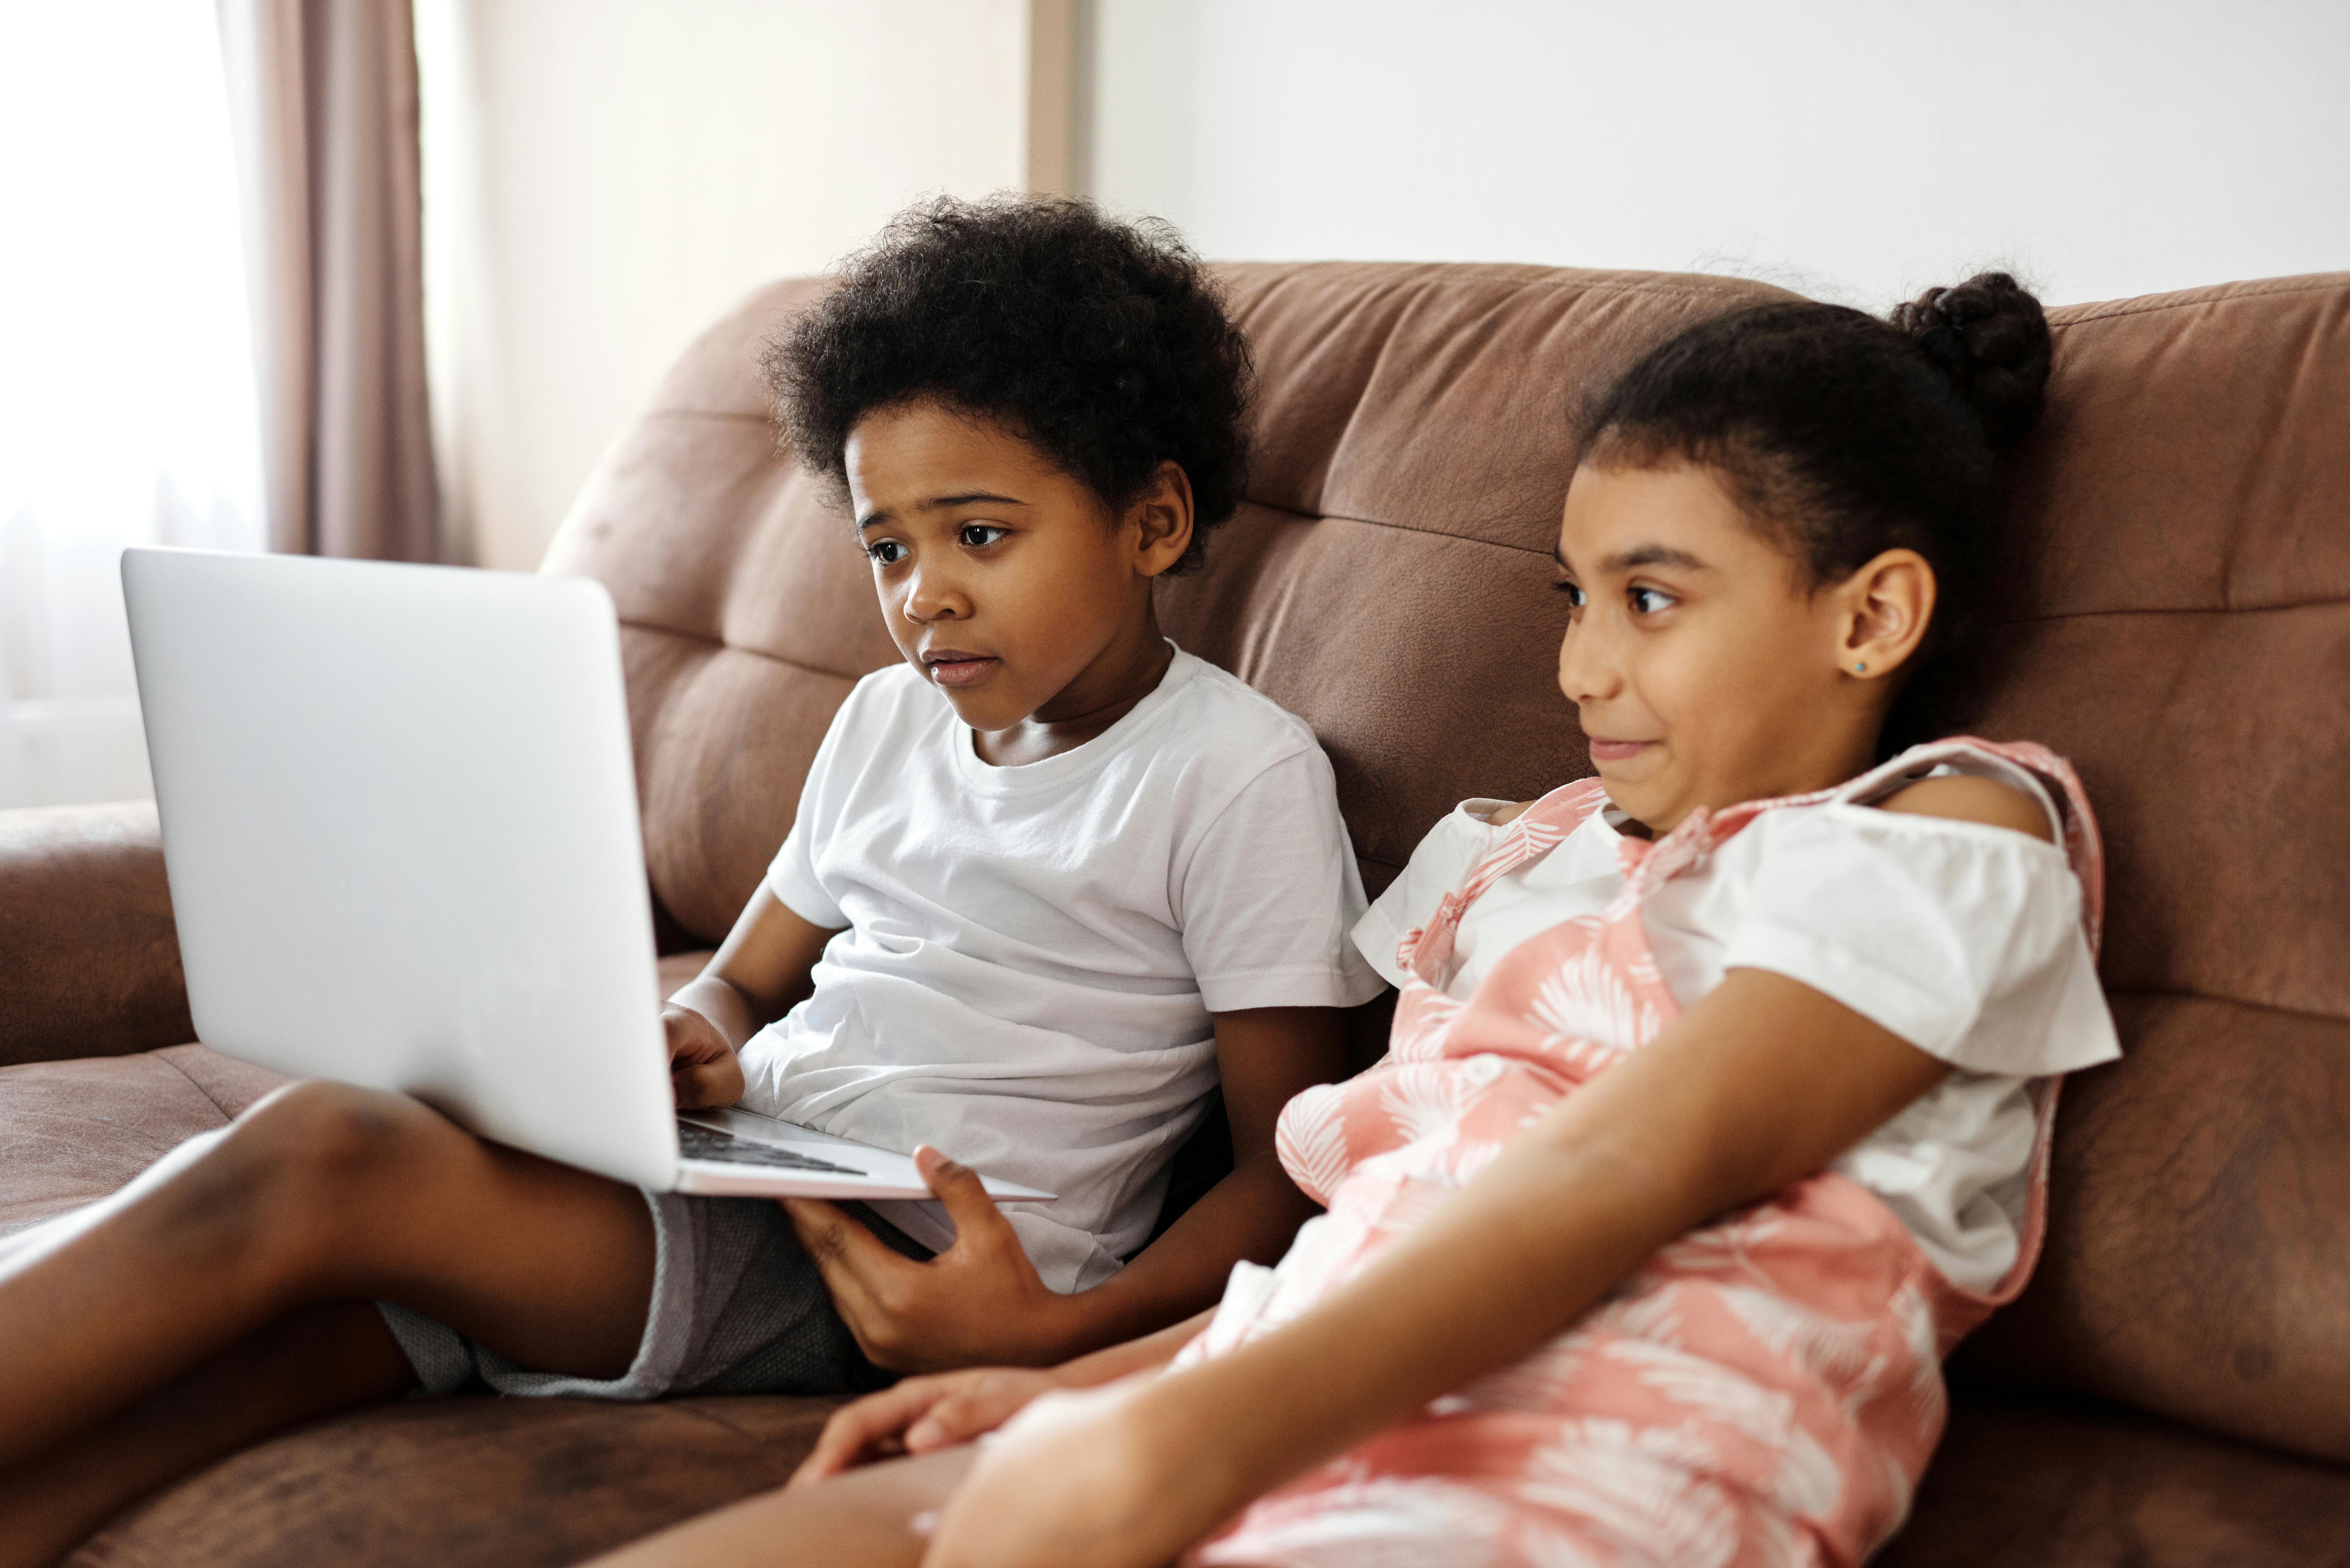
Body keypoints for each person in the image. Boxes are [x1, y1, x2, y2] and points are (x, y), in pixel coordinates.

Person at [585, 271, 2121, 1568]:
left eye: (1648, 599)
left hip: (1579, 1467)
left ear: (1871, 617)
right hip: (1270, 1390)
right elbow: (1367, 1232)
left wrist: (1161, 1446)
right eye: (1570, 599)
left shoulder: (1951, 834)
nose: (1582, 669)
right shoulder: (1536, 856)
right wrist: (1083, 1384)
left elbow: (1620, 1169)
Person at [0, 197, 1383, 1568]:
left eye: (980, 535)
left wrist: (1055, 1340)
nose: (925, 596)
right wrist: (695, 1034)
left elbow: (1287, 1167)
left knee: (328, 1150)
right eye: (887, 547)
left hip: (900, 1260)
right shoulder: (887, 721)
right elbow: (741, 975)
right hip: (752, 1168)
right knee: (272, 1355)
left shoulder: (1234, 775)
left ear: (1152, 522)